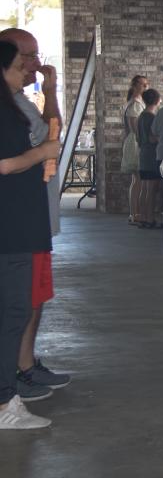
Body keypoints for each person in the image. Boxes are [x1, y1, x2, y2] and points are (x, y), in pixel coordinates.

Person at [0, 29, 70, 404]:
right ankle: (14, 376)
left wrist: (52, 89)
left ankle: (22, 366)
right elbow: (12, 162)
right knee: (20, 300)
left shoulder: (21, 102)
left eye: (35, 55)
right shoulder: (9, 106)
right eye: (25, 58)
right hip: (17, 222)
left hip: (30, 216)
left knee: (30, 296)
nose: (34, 65)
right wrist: (42, 152)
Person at [121, 75, 148, 224]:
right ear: (136, 86)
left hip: (133, 141)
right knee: (137, 180)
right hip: (135, 142)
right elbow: (135, 128)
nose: (146, 88)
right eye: (143, 85)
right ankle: (134, 212)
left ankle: (135, 212)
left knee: (136, 180)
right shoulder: (135, 104)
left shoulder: (134, 103)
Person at [136, 89, 163, 229]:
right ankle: (150, 218)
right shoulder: (151, 117)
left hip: (143, 155)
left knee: (145, 188)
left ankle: (142, 217)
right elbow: (152, 138)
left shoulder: (141, 116)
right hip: (151, 156)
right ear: (157, 100)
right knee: (151, 189)